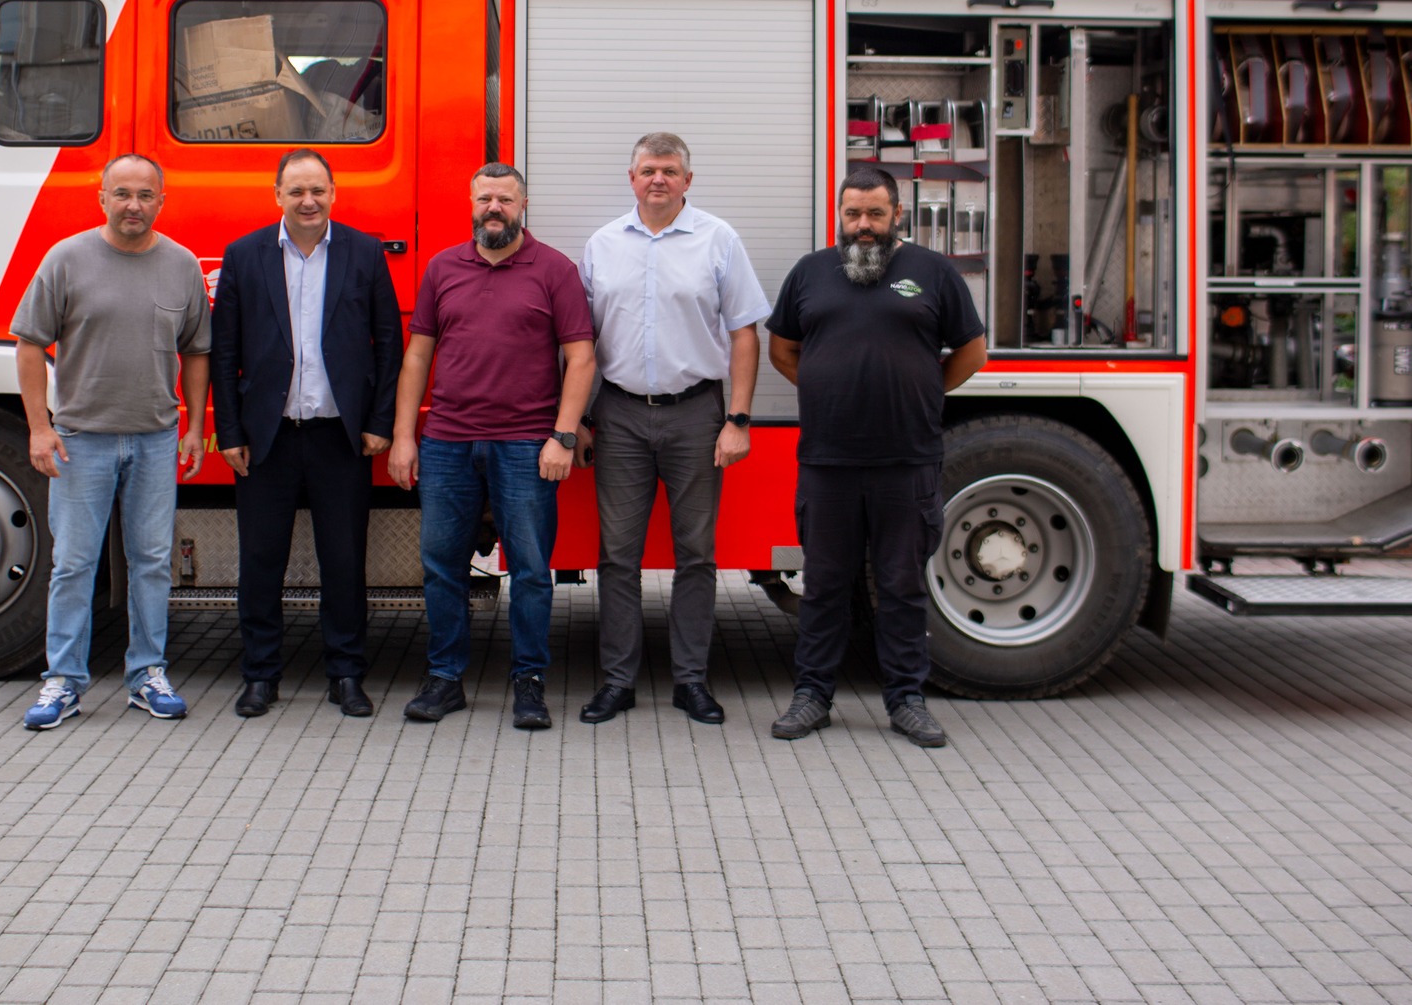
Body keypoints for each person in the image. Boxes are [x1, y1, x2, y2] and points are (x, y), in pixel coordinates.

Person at [763, 164, 987, 748]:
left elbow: (972, 351)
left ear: (897, 215)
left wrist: (924, 390)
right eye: (853, 213)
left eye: (875, 214)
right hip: (828, 460)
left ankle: (907, 699)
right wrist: (825, 387)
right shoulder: (810, 272)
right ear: (840, 215)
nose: (863, 224)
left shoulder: (934, 272)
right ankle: (812, 695)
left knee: (901, 585)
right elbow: (783, 349)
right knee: (825, 585)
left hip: (906, 459)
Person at [389, 163, 596, 730]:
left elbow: (581, 357)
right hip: (447, 442)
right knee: (441, 567)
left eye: (505, 199)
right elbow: (417, 357)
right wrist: (405, 436)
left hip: (527, 444)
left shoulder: (554, 270)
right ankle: (444, 678)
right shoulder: (442, 268)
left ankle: (529, 682)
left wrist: (562, 435)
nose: (494, 209)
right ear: (472, 204)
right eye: (485, 199)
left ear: (523, 205)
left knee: (530, 570)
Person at [576, 132, 768, 726]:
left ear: (688, 179)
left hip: (696, 415)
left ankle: (691, 682)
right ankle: (617, 682)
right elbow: (580, 342)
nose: (657, 179)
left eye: (668, 170)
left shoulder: (719, 239)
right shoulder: (602, 244)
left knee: (697, 555)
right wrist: (577, 419)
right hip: (620, 415)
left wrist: (738, 420)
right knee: (617, 555)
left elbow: (744, 334)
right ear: (631, 178)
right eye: (647, 170)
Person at [13, 153, 211, 730]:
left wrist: (195, 427)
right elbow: (30, 345)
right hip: (81, 441)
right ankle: (63, 681)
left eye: (145, 195)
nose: (133, 205)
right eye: (122, 194)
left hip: (155, 439)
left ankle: (147, 674)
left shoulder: (181, 265)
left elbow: (197, 351)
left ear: (161, 202)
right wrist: (39, 427)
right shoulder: (66, 259)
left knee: (151, 563)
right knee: (74, 564)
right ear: (101, 198)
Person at [212, 148, 403, 720]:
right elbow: (224, 351)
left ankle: (346, 673)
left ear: (333, 193)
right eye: (296, 190)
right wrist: (229, 431)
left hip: (338, 438)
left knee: (343, 562)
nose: (308, 200)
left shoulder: (364, 252)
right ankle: (260, 675)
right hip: (266, 437)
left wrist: (379, 422)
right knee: (260, 561)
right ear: (277, 195)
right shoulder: (244, 255)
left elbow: (388, 343)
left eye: (317, 189)